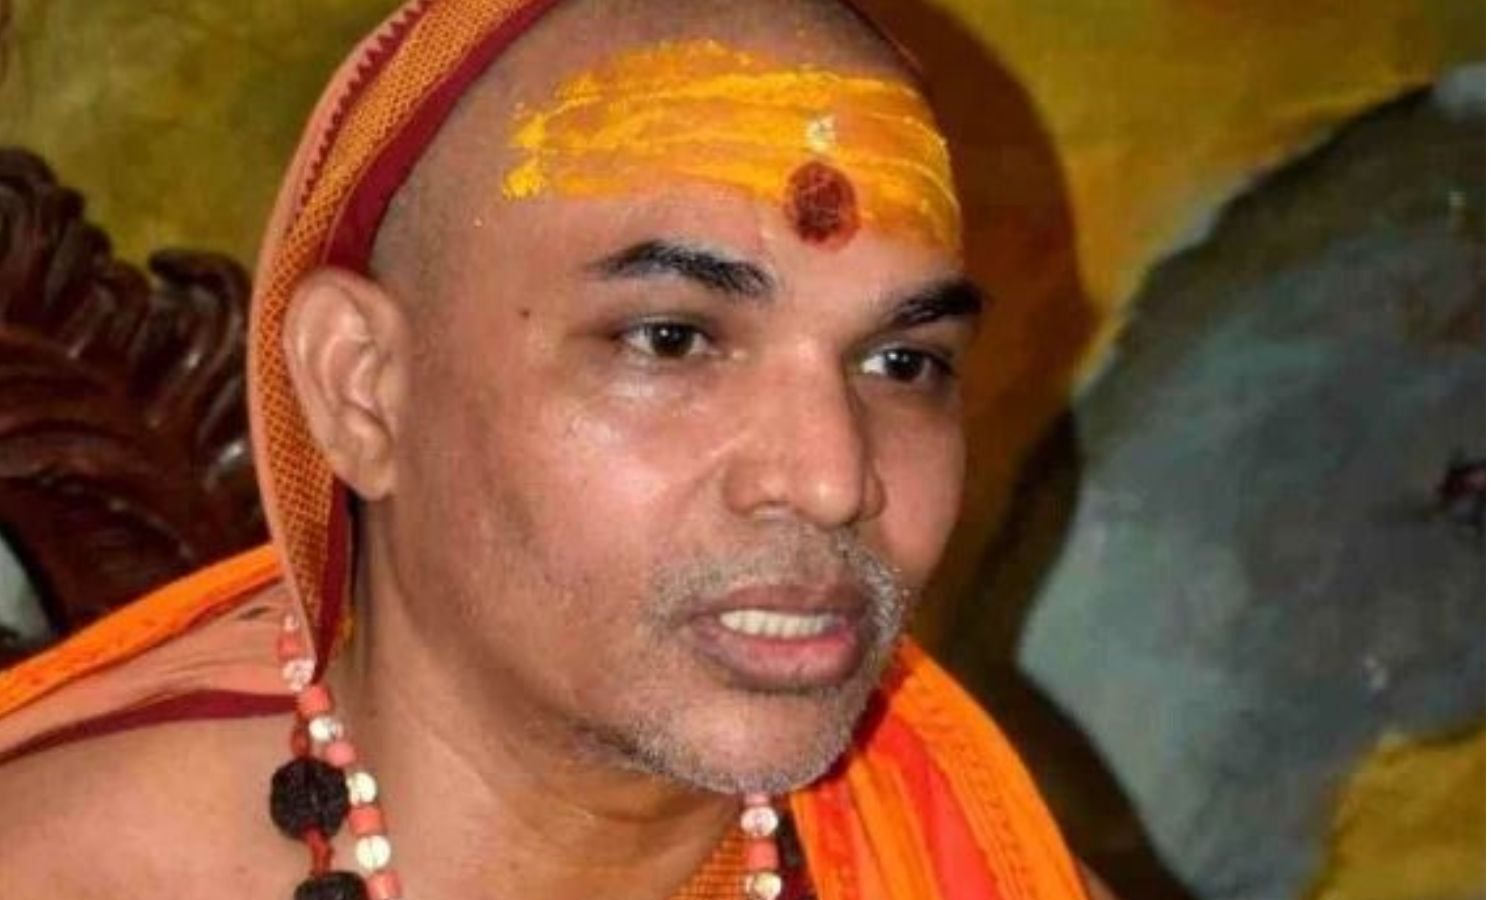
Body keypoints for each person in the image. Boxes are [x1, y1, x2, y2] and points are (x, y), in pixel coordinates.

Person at [0, 1, 1115, 898]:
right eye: (672, 340)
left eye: (903, 362)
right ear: (363, 388)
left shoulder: (968, 862)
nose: (831, 480)